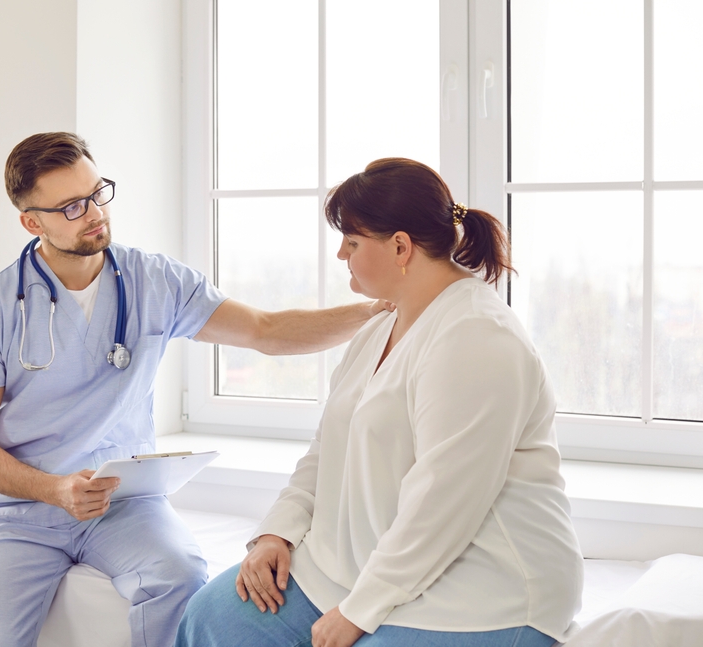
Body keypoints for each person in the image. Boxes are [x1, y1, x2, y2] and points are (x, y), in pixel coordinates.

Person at [0, 132, 389, 647]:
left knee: (180, 578)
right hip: (21, 513)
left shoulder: (155, 281)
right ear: (31, 221)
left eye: (97, 192)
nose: (94, 213)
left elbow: (265, 330)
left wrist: (376, 311)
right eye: (71, 206)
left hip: (123, 504)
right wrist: (54, 490)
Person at [175, 158, 584, 647]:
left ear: (399, 246)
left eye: (351, 241)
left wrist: (360, 610)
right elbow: (327, 449)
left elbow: (444, 501)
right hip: (357, 563)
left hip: (481, 588)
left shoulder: (478, 337)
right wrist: (276, 534)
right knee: (212, 619)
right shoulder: (379, 327)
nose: (341, 254)